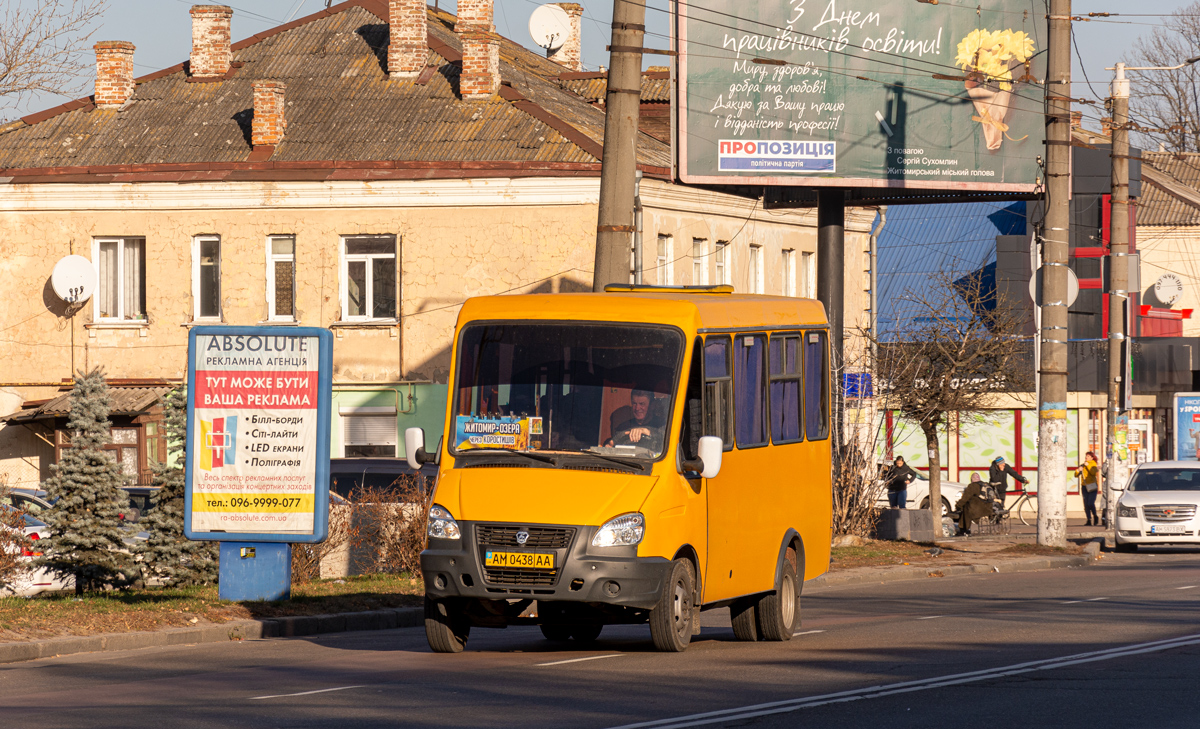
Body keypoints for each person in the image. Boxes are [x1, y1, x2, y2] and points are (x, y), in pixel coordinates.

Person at [1075, 451, 1102, 526]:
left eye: (1088, 456)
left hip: (1092, 486)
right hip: (1084, 486)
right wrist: (1078, 471)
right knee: (1086, 504)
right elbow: (1076, 475)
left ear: (1092, 457)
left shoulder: (1093, 464)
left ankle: (1095, 516)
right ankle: (1089, 520)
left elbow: (1093, 473)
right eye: (1086, 456)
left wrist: (1088, 466)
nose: (1086, 457)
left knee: (1090, 503)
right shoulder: (1083, 465)